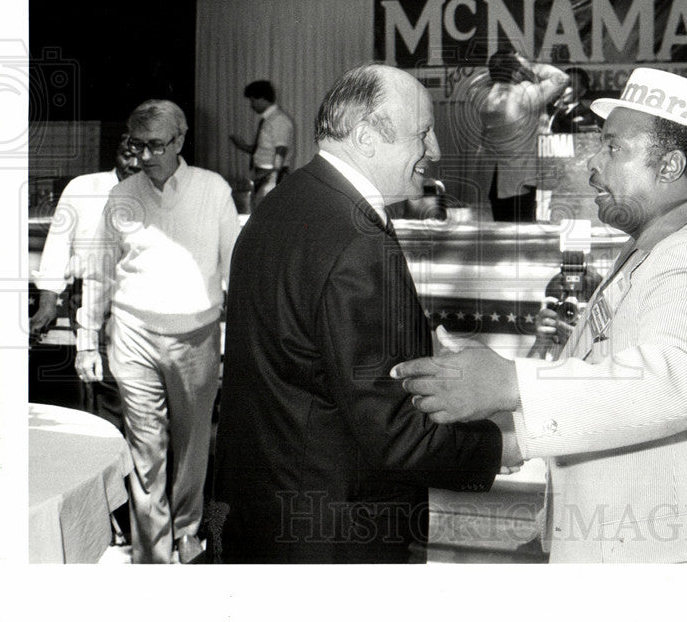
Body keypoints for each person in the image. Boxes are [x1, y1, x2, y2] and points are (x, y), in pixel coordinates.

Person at [394, 67, 687, 563]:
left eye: (613, 148)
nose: (593, 162)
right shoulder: (654, 248)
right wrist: (504, 431)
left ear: (670, 165)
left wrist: (511, 384)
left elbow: (676, 383)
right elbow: (612, 392)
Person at [214, 64, 515, 564]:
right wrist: (506, 445)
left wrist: (412, 350)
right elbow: (397, 436)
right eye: (423, 133)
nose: (435, 150)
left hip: (269, 515)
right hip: (332, 537)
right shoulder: (359, 241)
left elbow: (310, 360)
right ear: (367, 137)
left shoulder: (284, 203)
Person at [75, 100, 240, 564]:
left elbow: (235, 269)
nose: (145, 156)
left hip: (197, 337)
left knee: (191, 448)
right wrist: (87, 339)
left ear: (180, 141)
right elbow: (100, 272)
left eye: (156, 146)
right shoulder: (121, 196)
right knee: (145, 449)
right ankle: (151, 554)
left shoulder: (212, 190)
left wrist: (242, 340)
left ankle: (187, 533)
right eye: (137, 145)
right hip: (132, 334)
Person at [30, 137, 141, 420]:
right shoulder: (82, 187)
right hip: (90, 298)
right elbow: (57, 245)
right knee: (105, 384)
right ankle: (113, 454)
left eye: (140, 156)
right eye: (126, 154)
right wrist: (47, 303)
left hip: (140, 297)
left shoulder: (157, 192)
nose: (133, 164)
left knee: (138, 390)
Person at [472, 50, 569, 222]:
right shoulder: (524, 94)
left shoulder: (483, 95)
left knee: (501, 230)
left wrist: (504, 67)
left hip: (492, 176)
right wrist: (529, 65)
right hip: (519, 178)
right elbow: (561, 78)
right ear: (517, 72)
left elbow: (480, 80)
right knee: (521, 233)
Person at [228, 79, 295, 203]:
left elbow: (280, 150)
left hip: (271, 176)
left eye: (253, 100)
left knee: (269, 214)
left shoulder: (279, 120)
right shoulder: (270, 120)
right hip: (264, 176)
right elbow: (263, 150)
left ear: (263, 98)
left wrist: (273, 180)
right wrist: (241, 146)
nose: (251, 105)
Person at [546, 66, 601, 134]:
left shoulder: (586, 113)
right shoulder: (548, 108)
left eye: (570, 85)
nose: (563, 88)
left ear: (582, 91)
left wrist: (558, 112)